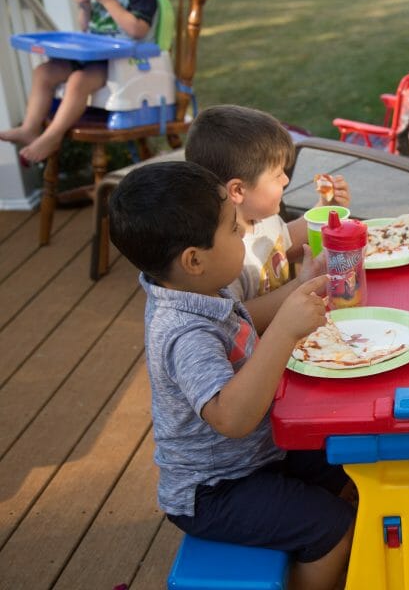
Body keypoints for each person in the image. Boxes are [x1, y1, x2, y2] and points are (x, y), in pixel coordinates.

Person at [108, 161, 354, 590]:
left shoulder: (195, 289)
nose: (244, 234)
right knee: (332, 529)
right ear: (193, 259)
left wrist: (299, 289)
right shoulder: (183, 332)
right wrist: (283, 331)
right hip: (217, 490)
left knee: (351, 461)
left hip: (260, 455)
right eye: (233, 230)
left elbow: (247, 318)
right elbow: (232, 419)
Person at [185, 104, 351, 333]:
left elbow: (286, 244)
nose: (285, 180)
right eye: (277, 174)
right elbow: (239, 320)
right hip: (264, 350)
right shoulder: (223, 255)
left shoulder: (261, 217)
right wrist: (300, 286)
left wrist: (325, 208)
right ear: (238, 191)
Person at [0, 0, 158, 164]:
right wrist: (84, 7)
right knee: (43, 72)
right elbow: (84, 27)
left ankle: (53, 136)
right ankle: (29, 128)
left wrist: (107, 0)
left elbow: (137, 30)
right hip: (92, 53)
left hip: (121, 63)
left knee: (78, 80)